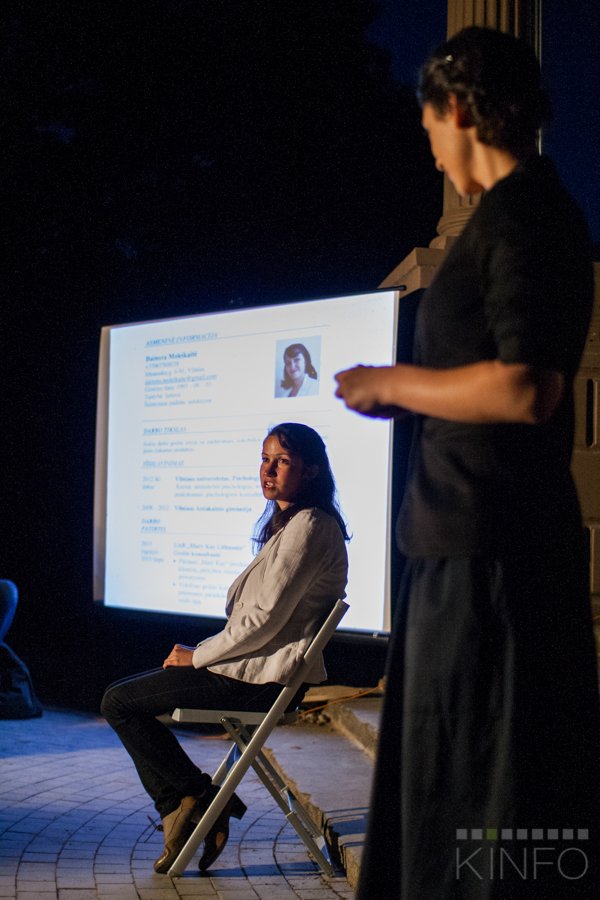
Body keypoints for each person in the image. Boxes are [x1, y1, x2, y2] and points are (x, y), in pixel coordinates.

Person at [335, 26, 600, 900]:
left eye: (429, 130)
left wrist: (394, 383)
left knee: (482, 793)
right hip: (464, 552)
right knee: (453, 793)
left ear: (457, 109)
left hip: (491, 561)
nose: (432, 152)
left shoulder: (527, 214)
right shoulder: (510, 215)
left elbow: (529, 387)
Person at [101, 423, 348, 874]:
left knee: (119, 703)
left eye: (282, 461)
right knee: (121, 698)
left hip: (263, 682)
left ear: (311, 470)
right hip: (253, 672)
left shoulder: (311, 525)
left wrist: (197, 656)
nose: (268, 470)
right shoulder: (292, 524)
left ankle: (195, 799)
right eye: (265, 459)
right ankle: (189, 804)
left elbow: (263, 620)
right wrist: (200, 654)